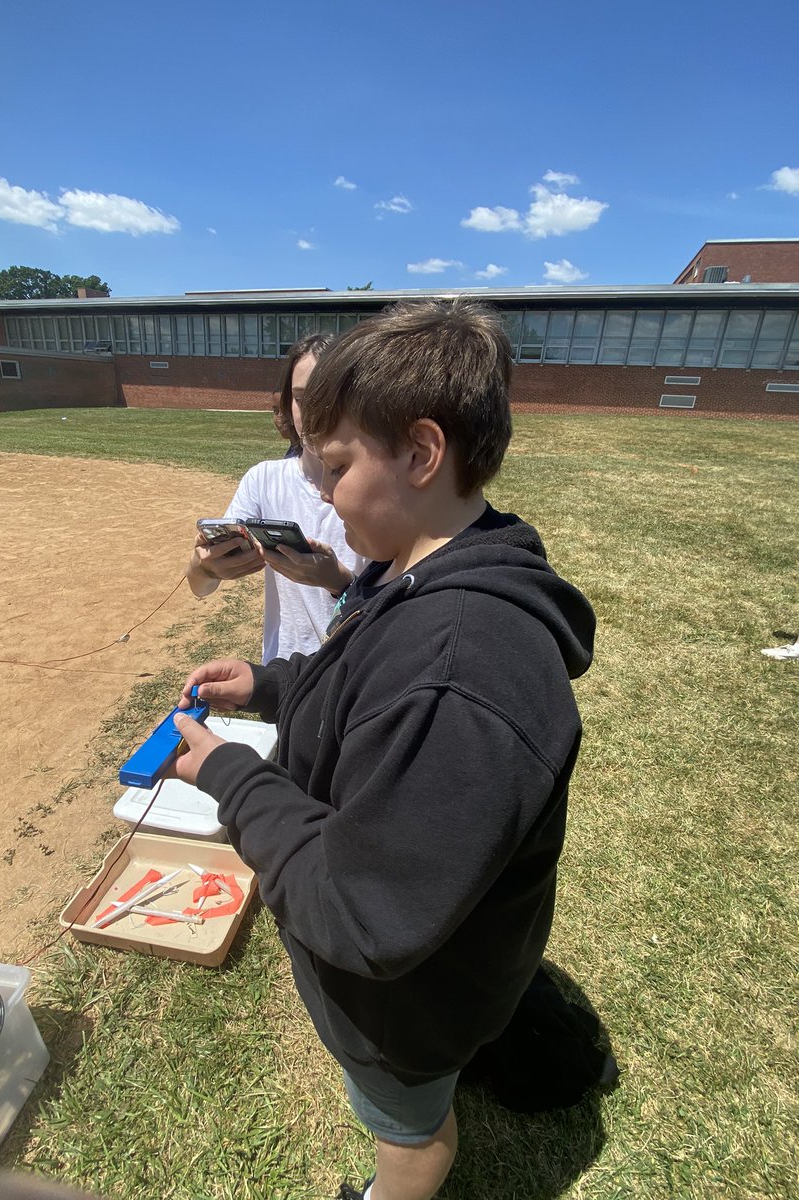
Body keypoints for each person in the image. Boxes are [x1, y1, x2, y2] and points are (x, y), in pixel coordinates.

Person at [172, 299, 596, 1200]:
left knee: (410, 1137)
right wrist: (271, 685)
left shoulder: (459, 671)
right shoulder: (406, 566)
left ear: (421, 452)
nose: (319, 493)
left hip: (409, 1004)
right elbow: (361, 677)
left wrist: (232, 776)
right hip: (423, 967)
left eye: (334, 465)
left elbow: (366, 917)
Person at [187, 334, 366, 663]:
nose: (311, 414)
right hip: (283, 681)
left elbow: (395, 614)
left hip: (352, 677)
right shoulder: (263, 481)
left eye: (326, 398)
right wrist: (205, 567)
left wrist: (340, 582)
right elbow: (200, 588)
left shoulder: (375, 490)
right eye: (300, 398)